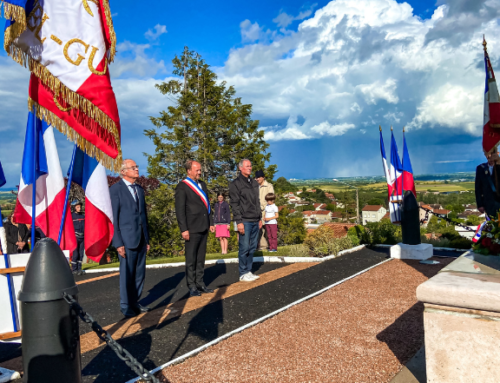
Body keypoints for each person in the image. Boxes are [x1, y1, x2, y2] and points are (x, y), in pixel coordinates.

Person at [110, 159, 151, 318]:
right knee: (127, 274)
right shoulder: (116, 190)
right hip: (126, 240)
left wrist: (147, 239)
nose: (136, 169)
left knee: (139, 274)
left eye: (136, 166)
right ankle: (126, 306)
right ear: (123, 171)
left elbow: (143, 216)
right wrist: (118, 242)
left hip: (141, 238)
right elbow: (114, 218)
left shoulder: (139, 189)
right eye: (133, 167)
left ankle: (135, 302)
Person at [175, 160, 215, 297]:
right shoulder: (182, 187)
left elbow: (207, 205)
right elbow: (180, 210)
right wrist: (183, 229)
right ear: (189, 171)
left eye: (200, 170)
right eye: (197, 170)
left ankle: (200, 283)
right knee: (191, 259)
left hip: (203, 225)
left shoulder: (202, 184)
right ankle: (191, 285)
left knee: (200, 258)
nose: (199, 172)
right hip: (191, 228)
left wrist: (211, 222)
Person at [229, 159, 262, 282]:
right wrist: (239, 222)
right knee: (244, 247)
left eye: (250, 165)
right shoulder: (235, 184)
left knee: (252, 247)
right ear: (240, 168)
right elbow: (235, 204)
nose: (250, 168)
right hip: (244, 220)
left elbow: (257, 202)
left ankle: (249, 270)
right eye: (247, 166)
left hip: (255, 219)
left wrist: (259, 218)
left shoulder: (254, 183)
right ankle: (243, 272)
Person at [476, 150, 500, 218]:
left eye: (492, 154)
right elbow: (478, 188)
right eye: (488, 154)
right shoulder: (481, 168)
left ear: (497, 154)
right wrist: (480, 204)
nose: (490, 156)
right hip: (488, 203)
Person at [255, 170, 274, 251]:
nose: (257, 179)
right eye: (256, 177)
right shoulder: (255, 187)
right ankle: (262, 247)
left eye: (258, 177)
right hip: (257, 212)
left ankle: (271, 246)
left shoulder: (269, 186)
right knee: (259, 230)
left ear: (263, 177)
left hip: (267, 211)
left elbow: (271, 199)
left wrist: (262, 207)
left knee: (268, 230)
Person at [71, 200, 86, 275]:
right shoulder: (71, 216)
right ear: (74, 208)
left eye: (80, 207)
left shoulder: (83, 216)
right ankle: (74, 269)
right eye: (77, 207)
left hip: (82, 237)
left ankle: (79, 269)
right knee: (75, 254)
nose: (79, 208)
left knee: (81, 254)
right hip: (75, 237)